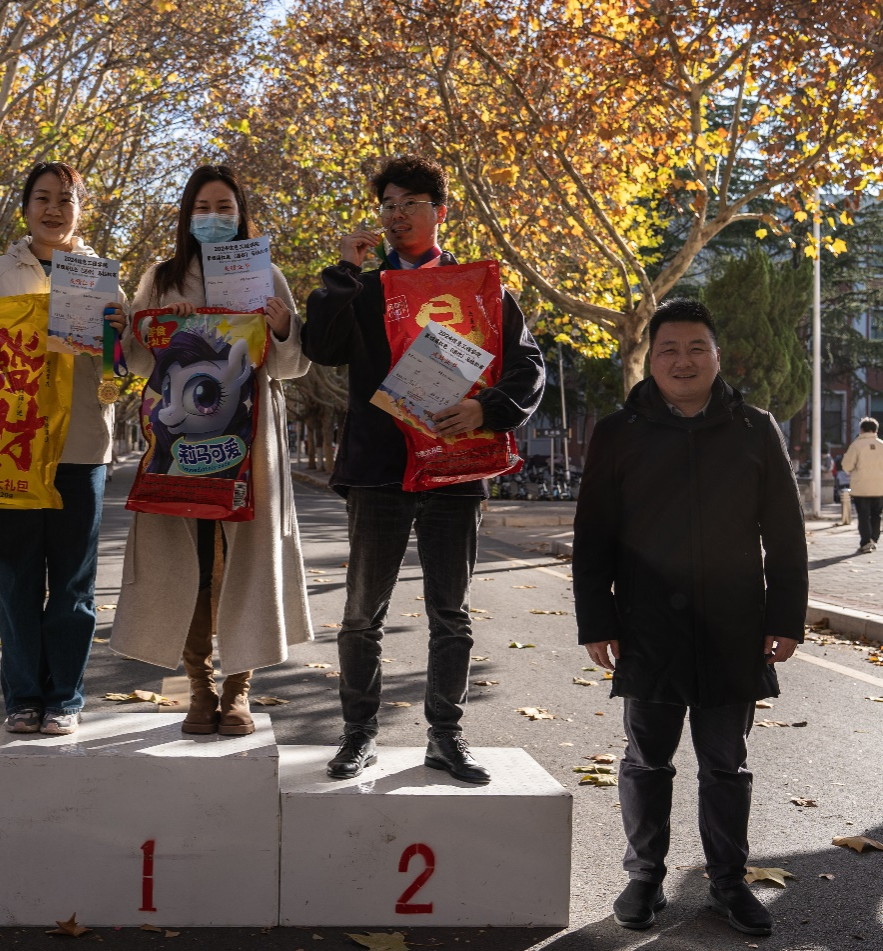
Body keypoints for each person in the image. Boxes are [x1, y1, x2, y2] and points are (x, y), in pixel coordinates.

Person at [302, 156, 544, 781]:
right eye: (387, 204)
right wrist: (343, 272)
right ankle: (358, 735)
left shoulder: (479, 288)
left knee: (451, 616)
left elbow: (528, 368)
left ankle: (446, 737)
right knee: (361, 615)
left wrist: (486, 408)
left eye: (410, 202)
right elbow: (319, 347)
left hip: (456, 468)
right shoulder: (362, 288)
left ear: (440, 211)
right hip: (379, 470)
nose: (396, 214)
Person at [573, 298, 807, 937]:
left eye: (696, 348)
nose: (683, 361)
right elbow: (593, 536)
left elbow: (785, 535)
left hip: (734, 626)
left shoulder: (755, 428)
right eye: (669, 350)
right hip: (646, 626)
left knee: (726, 764)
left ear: (717, 356)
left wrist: (786, 616)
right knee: (646, 760)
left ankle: (728, 882)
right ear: (651, 359)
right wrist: (597, 619)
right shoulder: (619, 431)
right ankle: (644, 877)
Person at [110, 164, 313, 735]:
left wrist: (282, 327)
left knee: (243, 563)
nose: (214, 218)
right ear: (187, 215)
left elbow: (291, 366)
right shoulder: (161, 277)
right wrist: (151, 329)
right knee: (192, 563)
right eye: (203, 208)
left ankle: (238, 690)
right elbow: (138, 361)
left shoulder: (266, 274)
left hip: (251, 441)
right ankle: (199, 689)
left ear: (241, 214)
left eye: (225, 208)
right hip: (179, 445)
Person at [0, 161, 122, 737]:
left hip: (81, 446)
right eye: (42, 198)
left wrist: (118, 336)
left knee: (73, 583)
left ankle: (65, 697)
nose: (53, 209)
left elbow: (125, 367)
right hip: (10, 447)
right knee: (18, 578)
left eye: (65, 199)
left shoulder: (100, 278)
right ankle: (23, 697)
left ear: (80, 210)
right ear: (24, 208)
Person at [841, 416, 883, 554]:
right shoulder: (881, 445)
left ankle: (865, 542)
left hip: (861, 487)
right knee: (876, 514)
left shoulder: (856, 445)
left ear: (862, 430)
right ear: (876, 430)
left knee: (863, 515)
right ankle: (874, 539)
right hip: (880, 487)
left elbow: (847, 466)